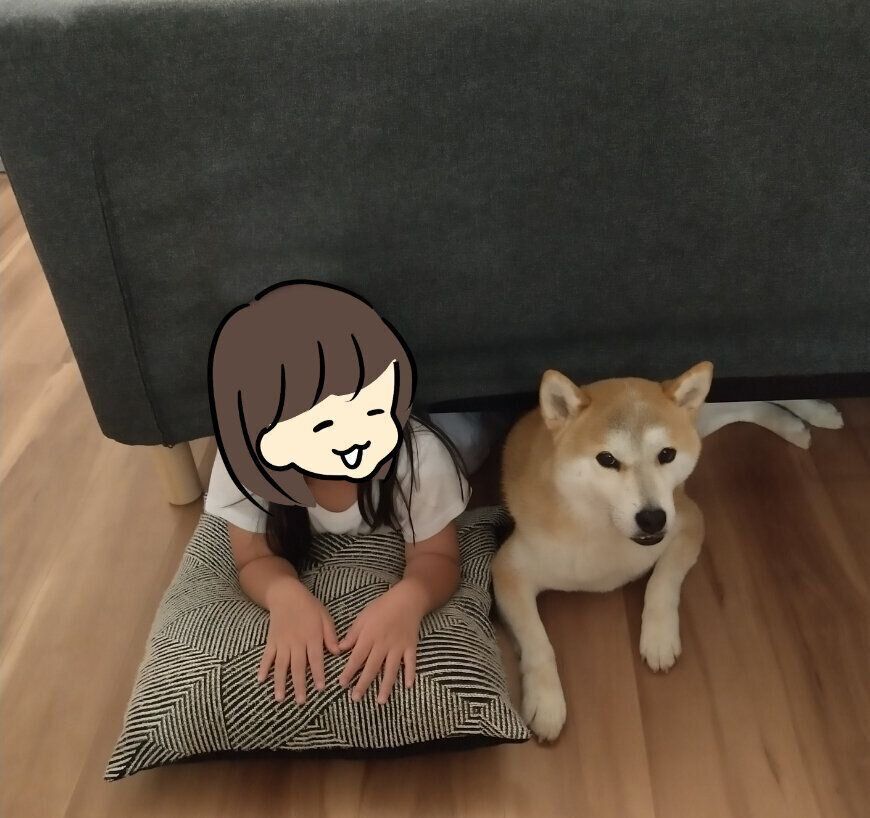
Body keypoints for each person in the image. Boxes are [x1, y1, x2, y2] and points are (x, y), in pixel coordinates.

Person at [206, 280, 469, 707]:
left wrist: (410, 598)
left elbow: (438, 555)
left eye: (372, 410)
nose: (355, 439)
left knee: (472, 434)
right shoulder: (242, 465)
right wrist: (283, 594)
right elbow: (253, 558)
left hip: (446, 436)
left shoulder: (422, 456)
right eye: (323, 425)